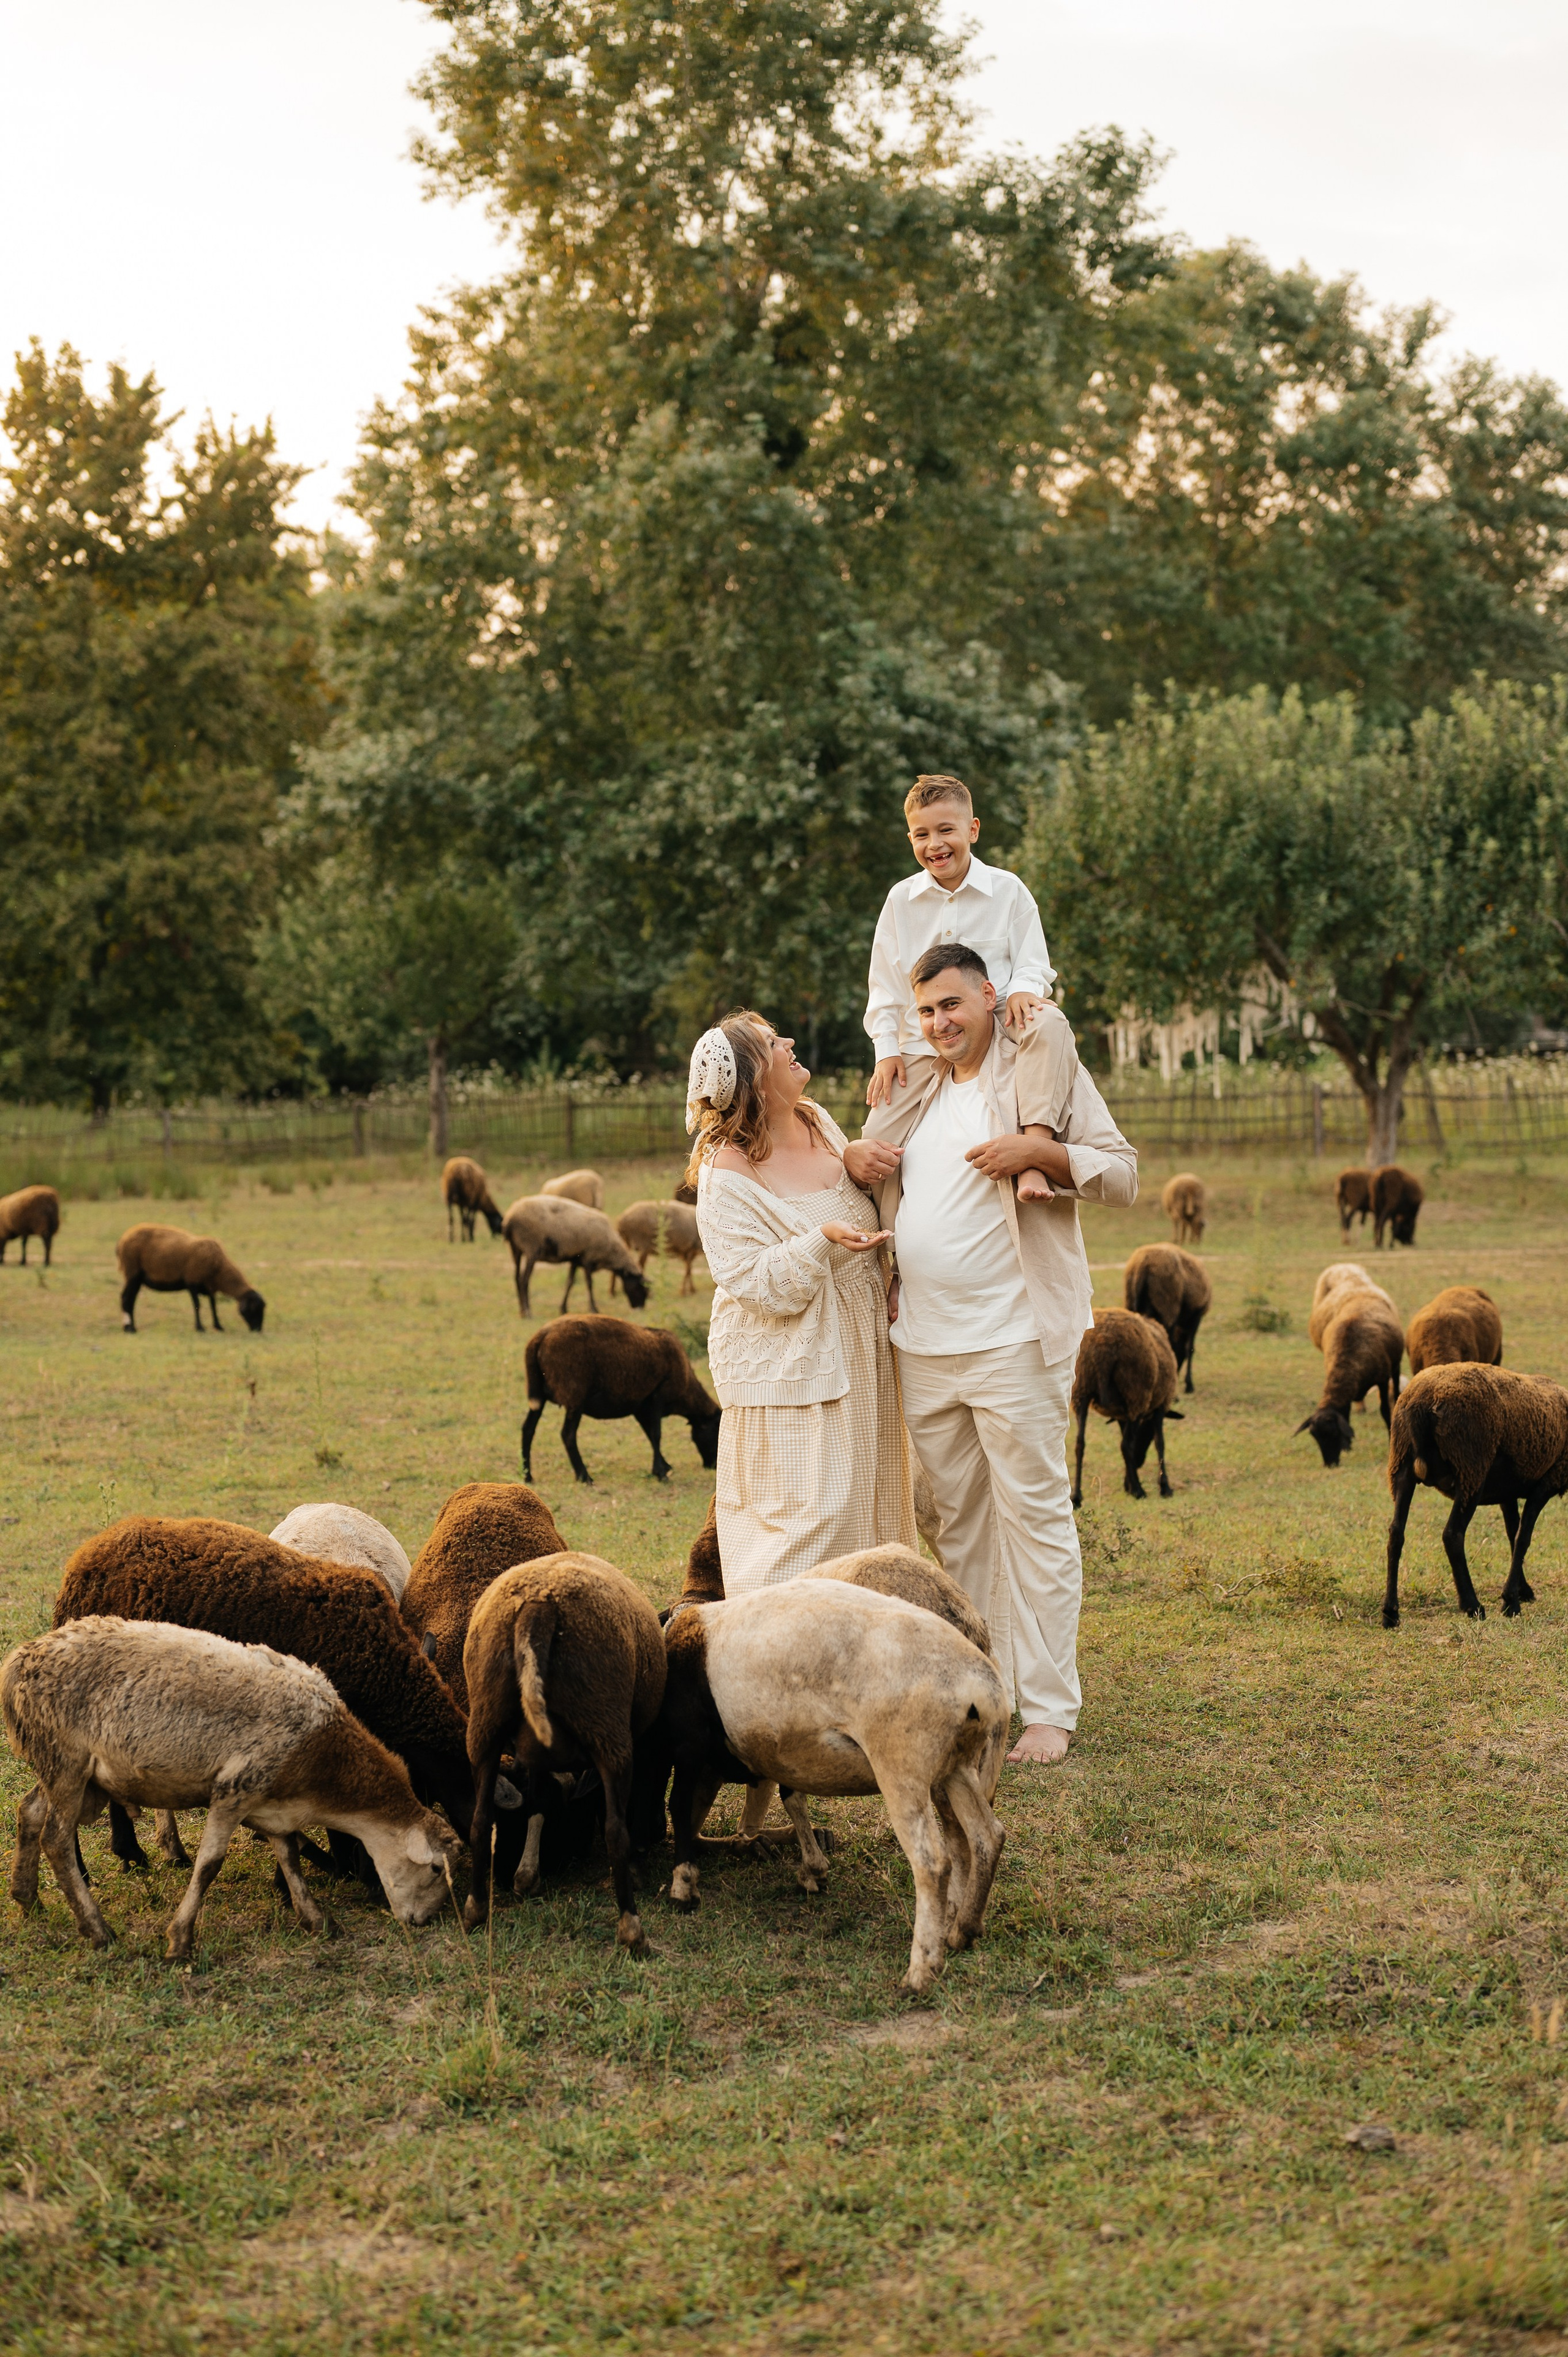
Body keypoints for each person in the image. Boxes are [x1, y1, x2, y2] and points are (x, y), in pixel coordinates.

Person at [851, 944, 1137, 1765]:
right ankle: (987, 1689)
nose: (940, 1023)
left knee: (1035, 1518)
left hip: (1013, 1337)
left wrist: (1038, 1154)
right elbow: (871, 1175)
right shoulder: (919, 1089)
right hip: (923, 1342)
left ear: (988, 995)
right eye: (926, 1011)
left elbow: (1121, 1173)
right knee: (961, 1527)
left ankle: (1050, 1708)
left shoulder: (1034, 1070)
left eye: (952, 1004)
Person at [688, 1010, 916, 1594]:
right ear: (752, 1079)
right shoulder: (726, 1171)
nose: (788, 1042)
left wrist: (856, 1161)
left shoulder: (816, 1121)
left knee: (871, 1506)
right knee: (813, 1521)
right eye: (772, 1043)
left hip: (862, 1351)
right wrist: (821, 1240)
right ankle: (778, 1635)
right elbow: (749, 1281)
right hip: (797, 1372)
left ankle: (866, 1634)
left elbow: (858, 1202)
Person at [864, 772, 1074, 1200]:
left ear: (973, 830)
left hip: (996, 1028)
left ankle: (1035, 1153)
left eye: (946, 830)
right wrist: (886, 1050)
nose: (935, 844)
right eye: (922, 834)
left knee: (1048, 1022)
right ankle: (885, 1234)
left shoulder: (1008, 890)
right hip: (921, 1044)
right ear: (910, 839)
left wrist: (1024, 987)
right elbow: (885, 985)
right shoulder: (900, 900)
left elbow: (1034, 962)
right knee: (876, 1145)